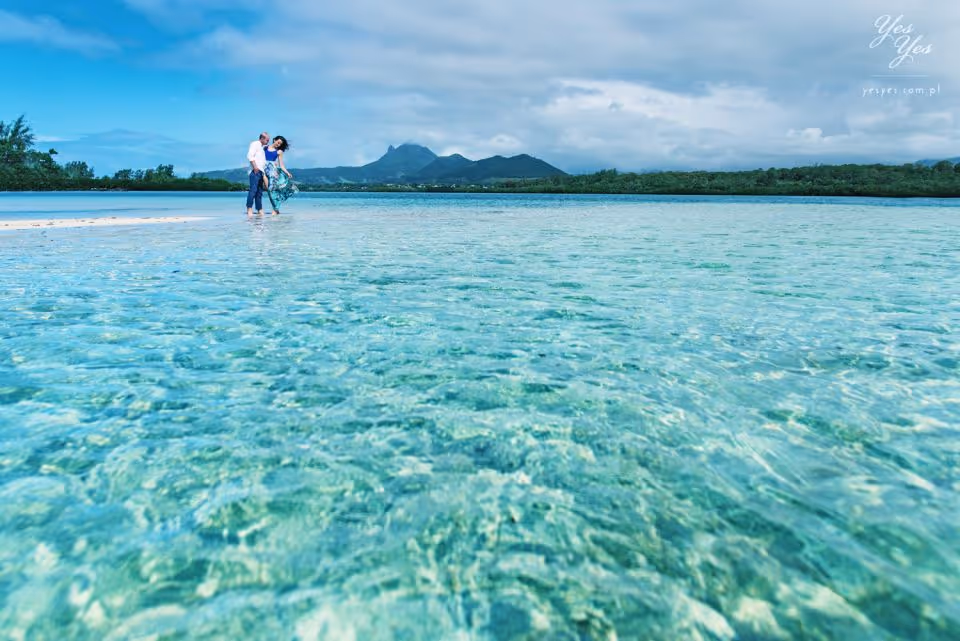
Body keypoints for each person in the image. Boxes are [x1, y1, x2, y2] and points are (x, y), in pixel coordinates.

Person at [263, 136, 298, 215]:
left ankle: (275, 209)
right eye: (278, 142)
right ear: (274, 140)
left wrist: (287, 173)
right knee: (268, 191)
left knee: (271, 190)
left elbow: (281, 165)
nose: (278, 145)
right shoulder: (264, 148)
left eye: (280, 144)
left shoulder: (279, 152)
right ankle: (276, 209)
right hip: (263, 171)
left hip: (273, 172)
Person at [246, 132, 269, 218]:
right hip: (255, 171)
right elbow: (249, 155)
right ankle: (249, 209)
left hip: (261, 172)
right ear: (262, 138)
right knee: (253, 190)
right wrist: (255, 167)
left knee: (259, 192)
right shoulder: (255, 144)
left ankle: (259, 209)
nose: (268, 141)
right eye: (267, 140)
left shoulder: (262, 148)